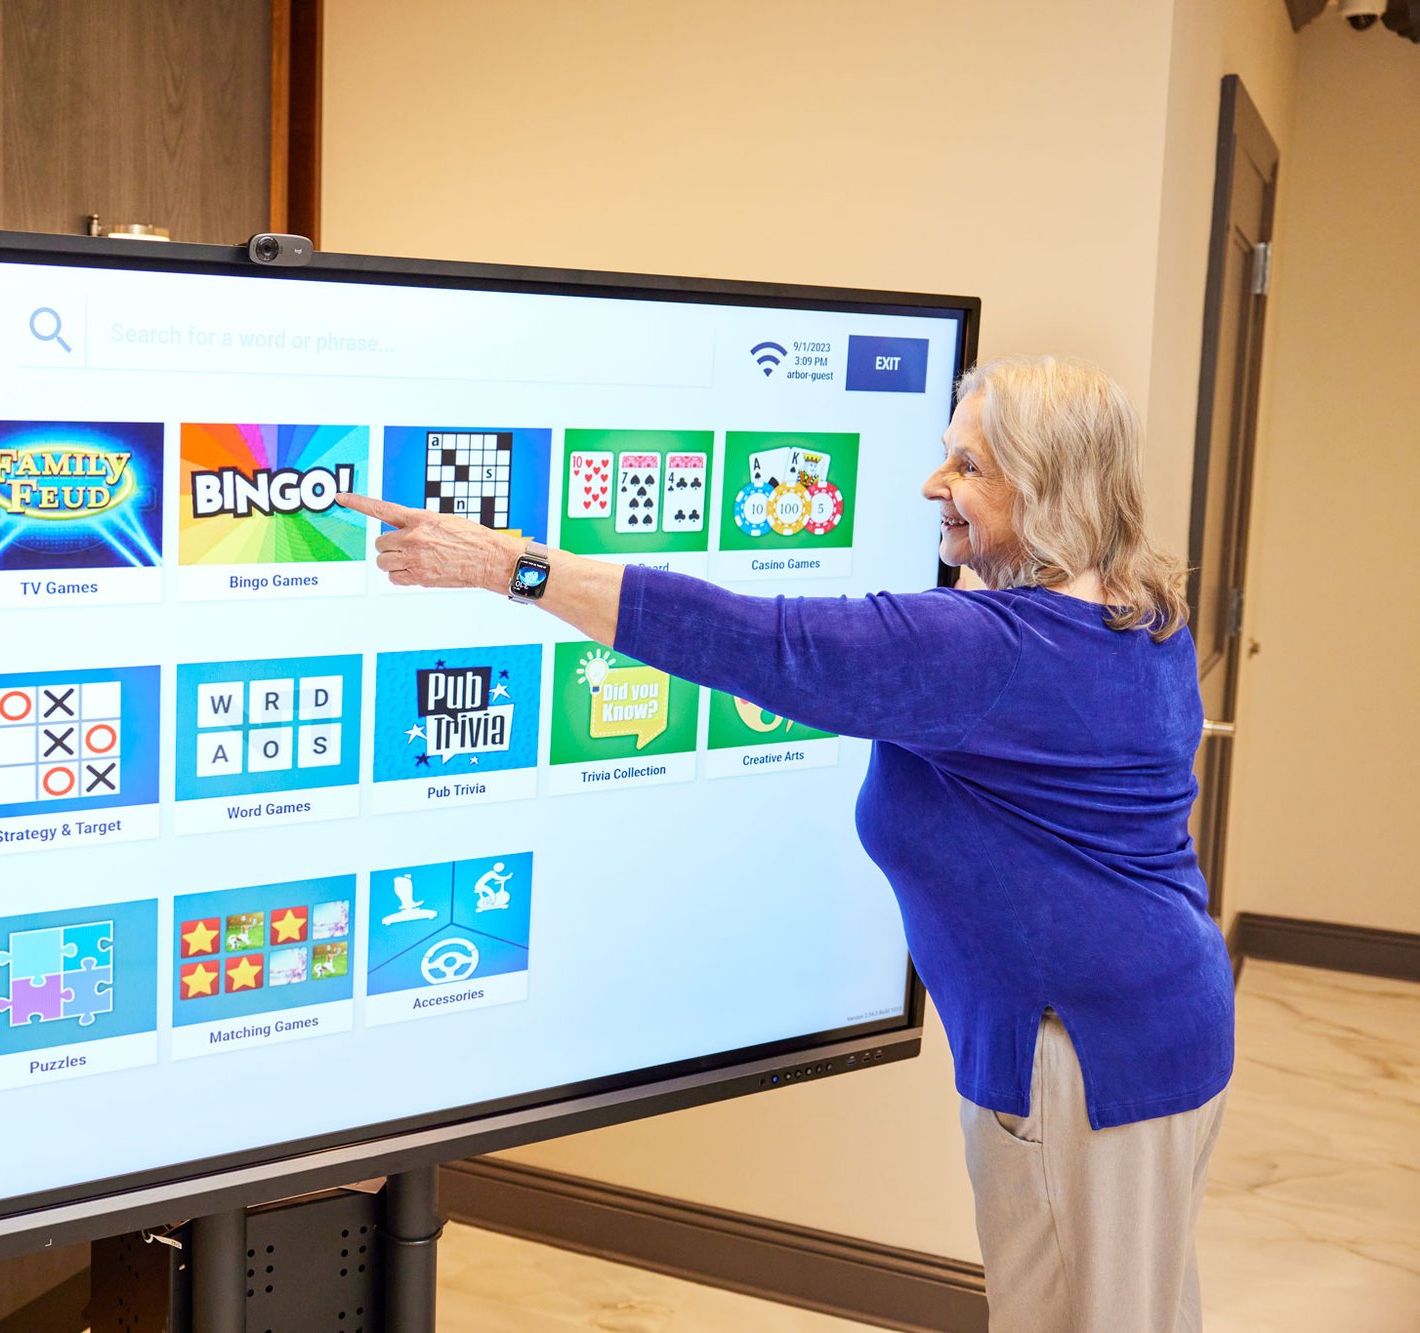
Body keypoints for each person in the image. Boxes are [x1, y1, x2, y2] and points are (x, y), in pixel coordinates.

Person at [339, 355, 1233, 1332]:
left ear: (1048, 487)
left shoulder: (991, 649)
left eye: (967, 466)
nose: (932, 486)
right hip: (1144, 1022)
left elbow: (760, 641)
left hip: (1087, 1055)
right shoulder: (1130, 616)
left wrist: (512, 565)